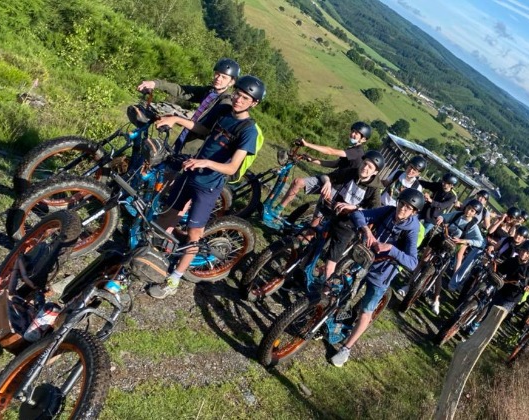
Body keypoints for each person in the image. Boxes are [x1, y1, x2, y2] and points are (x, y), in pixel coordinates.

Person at [146, 75, 265, 299]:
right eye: (237, 94)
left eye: (245, 98)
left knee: (194, 233)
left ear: (254, 103)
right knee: (168, 213)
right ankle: (148, 253)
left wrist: (206, 163)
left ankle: (174, 279)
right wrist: (176, 119)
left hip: (208, 185)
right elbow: (203, 130)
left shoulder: (248, 131)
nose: (238, 99)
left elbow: (232, 167)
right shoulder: (224, 112)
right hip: (190, 172)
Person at [330, 189, 424, 367]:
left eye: (408, 208)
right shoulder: (388, 211)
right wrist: (367, 230)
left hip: (382, 273)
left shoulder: (412, 229)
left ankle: (346, 349)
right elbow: (358, 214)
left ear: (414, 212)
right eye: (402, 203)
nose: (402, 209)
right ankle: (332, 320)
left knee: (366, 310)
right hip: (363, 260)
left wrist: (391, 249)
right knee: (342, 290)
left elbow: (412, 263)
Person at [265, 121, 373, 219]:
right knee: (297, 182)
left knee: (318, 216)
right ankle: (277, 211)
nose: (352, 134)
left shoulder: (357, 152)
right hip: (328, 179)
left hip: (338, 188)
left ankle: (311, 229)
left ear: (363, 139)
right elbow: (335, 164)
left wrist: (307, 144)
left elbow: (330, 151)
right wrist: (312, 160)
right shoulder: (351, 149)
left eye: (356, 133)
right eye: (352, 131)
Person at [137, 58, 241, 154]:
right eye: (217, 74)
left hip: (194, 150)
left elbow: (206, 130)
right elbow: (182, 90)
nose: (218, 78)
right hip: (184, 138)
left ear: (231, 82)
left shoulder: (225, 103)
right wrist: (156, 84)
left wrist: (176, 119)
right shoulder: (209, 92)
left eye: (224, 77)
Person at [319, 151, 385, 281]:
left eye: (370, 167)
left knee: (330, 263)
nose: (365, 168)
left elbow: (375, 211)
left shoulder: (374, 189)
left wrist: (355, 207)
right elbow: (328, 176)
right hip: (334, 213)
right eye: (365, 164)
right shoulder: (351, 172)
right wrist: (327, 182)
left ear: (375, 172)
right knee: (313, 244)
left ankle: (326, 289)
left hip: (349, 224)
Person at [466, 239, 529, 335]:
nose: (524, 254)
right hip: (501, 289)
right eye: (523, 250)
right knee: (489, 308)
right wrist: (492, 266)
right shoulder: (511, 261)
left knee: (496, 316)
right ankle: (474, 325)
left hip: (512, 298)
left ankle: (483, 333)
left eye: (527, 253)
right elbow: (499, 270)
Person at [426, 199, 487, 315]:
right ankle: (408, 285)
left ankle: (436, 300)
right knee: (424, 259)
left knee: (439, 273)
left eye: (472, 211)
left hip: (451, 248)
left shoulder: (473, 227)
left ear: (475, 214)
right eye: (468, 208)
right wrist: (441, 218)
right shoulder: (457, 214)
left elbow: (480, 242)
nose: (468, 211)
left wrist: (465, 241)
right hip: (442, 239)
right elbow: (444, 216)